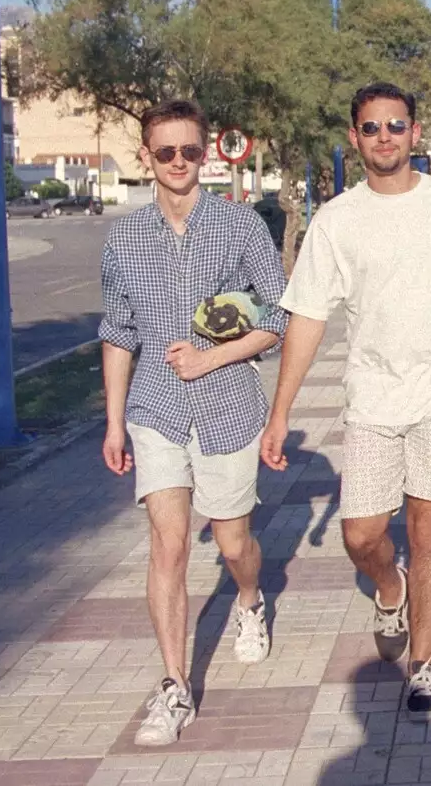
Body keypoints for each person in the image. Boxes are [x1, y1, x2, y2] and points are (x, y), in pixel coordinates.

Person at [261, 81, 431, 720]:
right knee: (362, 534)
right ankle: (389, 588)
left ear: (415, 133)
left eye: (396, 126)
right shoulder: (336, 220)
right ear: (354, 139)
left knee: (429, 525)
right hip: (373, 400)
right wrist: (280, 412)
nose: (385, 138)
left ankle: (425, 665)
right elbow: (305, 320)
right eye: (372, 129)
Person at [98, 99, 289, 747]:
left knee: (233, 545)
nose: (178, 163)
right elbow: (118, 334)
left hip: (229, 406)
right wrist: (114, 422)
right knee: (169, 545)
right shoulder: (123, 239)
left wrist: (212, 357)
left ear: (204, 155)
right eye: (165, 152)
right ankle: (175, 686)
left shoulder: (240, 228)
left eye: (190, 151)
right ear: (146, 158)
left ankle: (250, 600)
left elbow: (274, 320)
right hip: (156, 409)